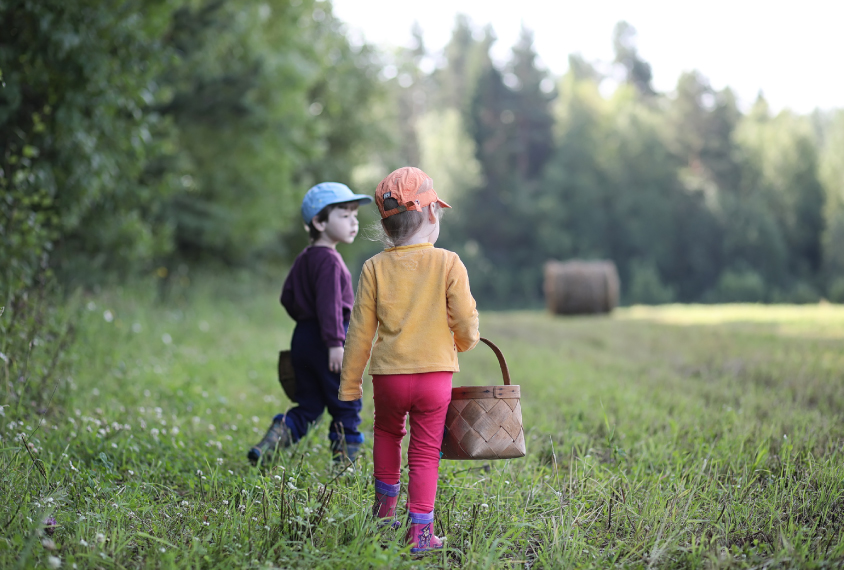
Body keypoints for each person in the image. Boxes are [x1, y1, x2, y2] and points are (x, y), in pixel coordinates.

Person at [339, 167, 480, 553]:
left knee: (386, 435)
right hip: (435, 378)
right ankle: (420, 536)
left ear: (386, 228)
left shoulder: (373, 268)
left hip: (389, 378)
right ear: (432, 214)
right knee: (424, 450)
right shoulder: (449, 263)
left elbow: (359, 335)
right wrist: (466, 342)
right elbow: (465, 320)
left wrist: (350, 385)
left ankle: (384, 520)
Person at [248, 182, 372, 466]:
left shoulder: (304, 258)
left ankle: (270, 444)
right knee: (346, 402)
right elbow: (329, 305)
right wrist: (333, 343)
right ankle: (345, 466)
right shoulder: (330, 261)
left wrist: (306, 322)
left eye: (354, 215)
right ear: (319, 221)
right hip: (330, 340)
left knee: (310, 405)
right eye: (344, 215)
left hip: (303, 338)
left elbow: (287, 297)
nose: (353, 221)